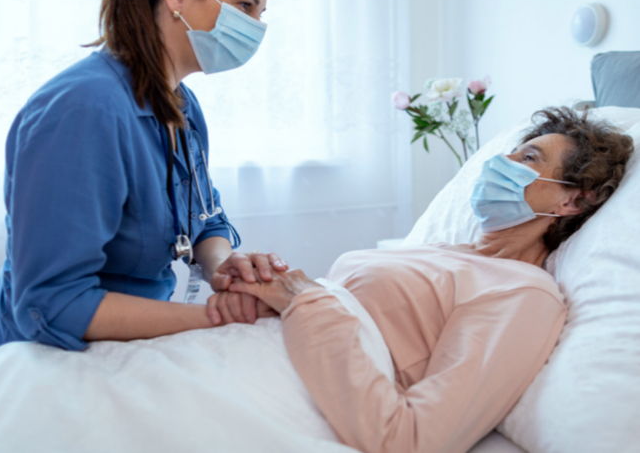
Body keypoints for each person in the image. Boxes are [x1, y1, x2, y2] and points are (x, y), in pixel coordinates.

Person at [218, 107, 634, 453]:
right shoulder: (438, 251)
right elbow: (338, 318)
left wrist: (302, 300)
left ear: (573, 200)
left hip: (276, 404)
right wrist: (262, 295)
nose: (498, 164)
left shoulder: (523, 294)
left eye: (528, 159)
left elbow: (411, 440)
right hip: (246, 363)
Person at [0, 0, 287, 351]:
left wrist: (223, 266)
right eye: (244, 6)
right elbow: (51, 305)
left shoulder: (179, 103)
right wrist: (215, 317)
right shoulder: (84, 111)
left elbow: (204, 218)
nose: (255, 27)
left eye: (261, 12)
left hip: (132, 345)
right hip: (50, 358)